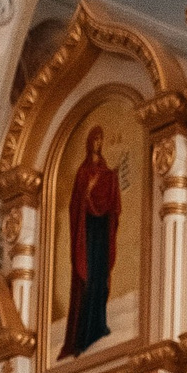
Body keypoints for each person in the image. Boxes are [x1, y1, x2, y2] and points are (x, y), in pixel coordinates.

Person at [62, 125, 120, 358]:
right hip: (88, 233)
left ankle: (99, 325)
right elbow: (77, 204)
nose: (98, 143)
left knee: (100, 277)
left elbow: (109, 197)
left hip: (102, 229)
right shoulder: (83, 172)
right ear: (89, 143)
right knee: (89, 279)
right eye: (95, 139)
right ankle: (85, 333)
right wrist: (88, 191)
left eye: (101, 139)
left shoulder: (103, 168)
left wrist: (111, 179)